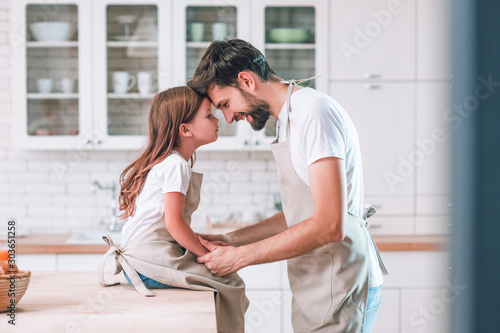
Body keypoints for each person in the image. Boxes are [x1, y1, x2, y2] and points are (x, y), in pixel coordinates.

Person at [188, 39, 388, 333]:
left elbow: (330, 223)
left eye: (226, 105)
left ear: (246, 80)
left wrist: (240, 258)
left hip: (344, 281)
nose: (229, 118)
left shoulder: (313, 113)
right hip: (321, 282)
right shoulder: (288, 118)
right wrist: (232, 240)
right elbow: (299, 214)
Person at [98, 86, 249, 333]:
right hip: (148, 262)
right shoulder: (175, 165)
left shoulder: (168, 162)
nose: (217, 119)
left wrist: (202, 246)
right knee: (230, 282)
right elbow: (174, 224)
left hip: (142, 260)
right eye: (209, 115)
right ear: (185, 129)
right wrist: (206, 255)